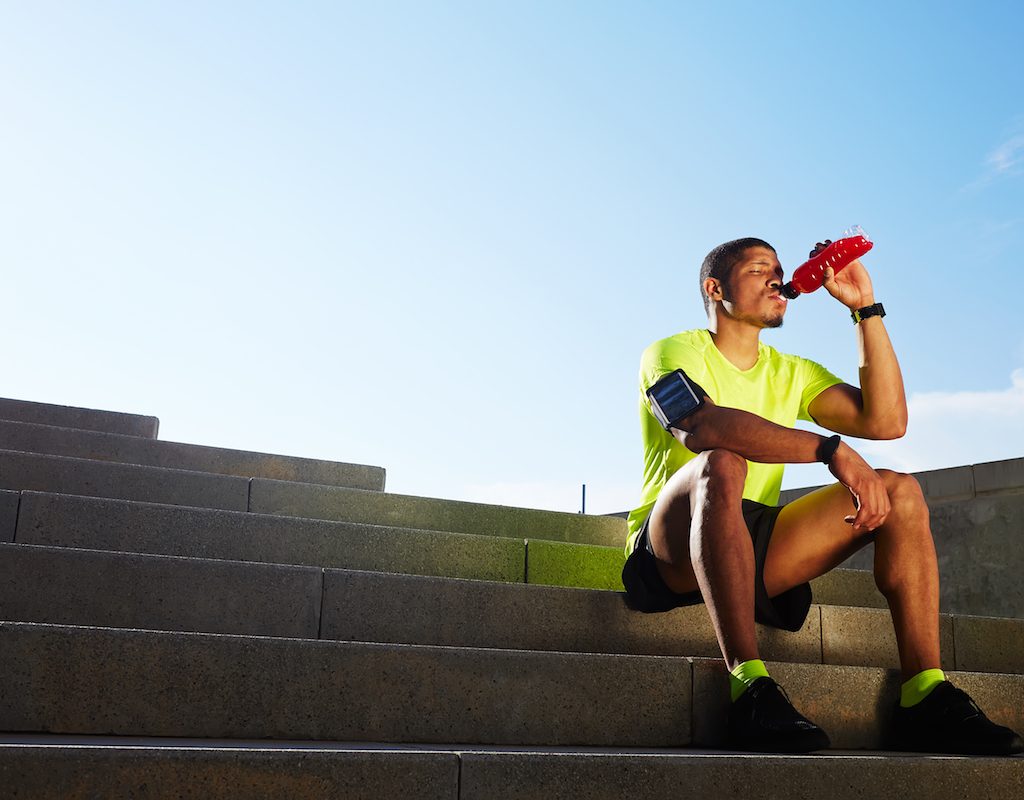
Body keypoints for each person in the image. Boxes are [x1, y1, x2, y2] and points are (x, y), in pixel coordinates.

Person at [622, 236, 1023, 755]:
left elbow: (886, 421)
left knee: (899, 492)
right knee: (720, 461)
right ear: (715, 288)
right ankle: (749, 688)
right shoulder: (671, 351)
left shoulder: (793, 371)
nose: (777, 278)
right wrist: (829, 449)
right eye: (759, 269)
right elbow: (698, 425)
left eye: (780, 270)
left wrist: (865, 310)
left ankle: (924, 695)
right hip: (669, 545)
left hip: (752, 542)